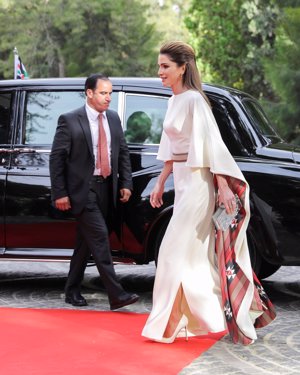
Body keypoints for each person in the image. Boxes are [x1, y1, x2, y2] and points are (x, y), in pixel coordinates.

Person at [142, 41, 276, 345]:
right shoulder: (173, 101)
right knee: (193, 257)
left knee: (172, 253)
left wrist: (224, 186)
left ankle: (174, 322)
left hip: (200, 185)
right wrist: (161, 181)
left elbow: (212, 145)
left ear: (182, 68)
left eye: (165, 66)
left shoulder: (194, 101)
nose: (159, 71)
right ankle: (222, 311)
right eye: (159, 65)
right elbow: (170, 149)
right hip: (182, 181)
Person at [50, 73, 139, 310]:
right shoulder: (69, 120)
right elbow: (56, 159)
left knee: (86, 243)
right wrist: (59, 193)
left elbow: (122, 153)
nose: (108, 98)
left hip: (106, 188)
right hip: (83, 191)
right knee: (99, 239)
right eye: (103, 93)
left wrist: (126, 184)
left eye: (110, 93)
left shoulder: (112, 118)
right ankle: (116, 294)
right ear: (89, 93)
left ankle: (71, 290)